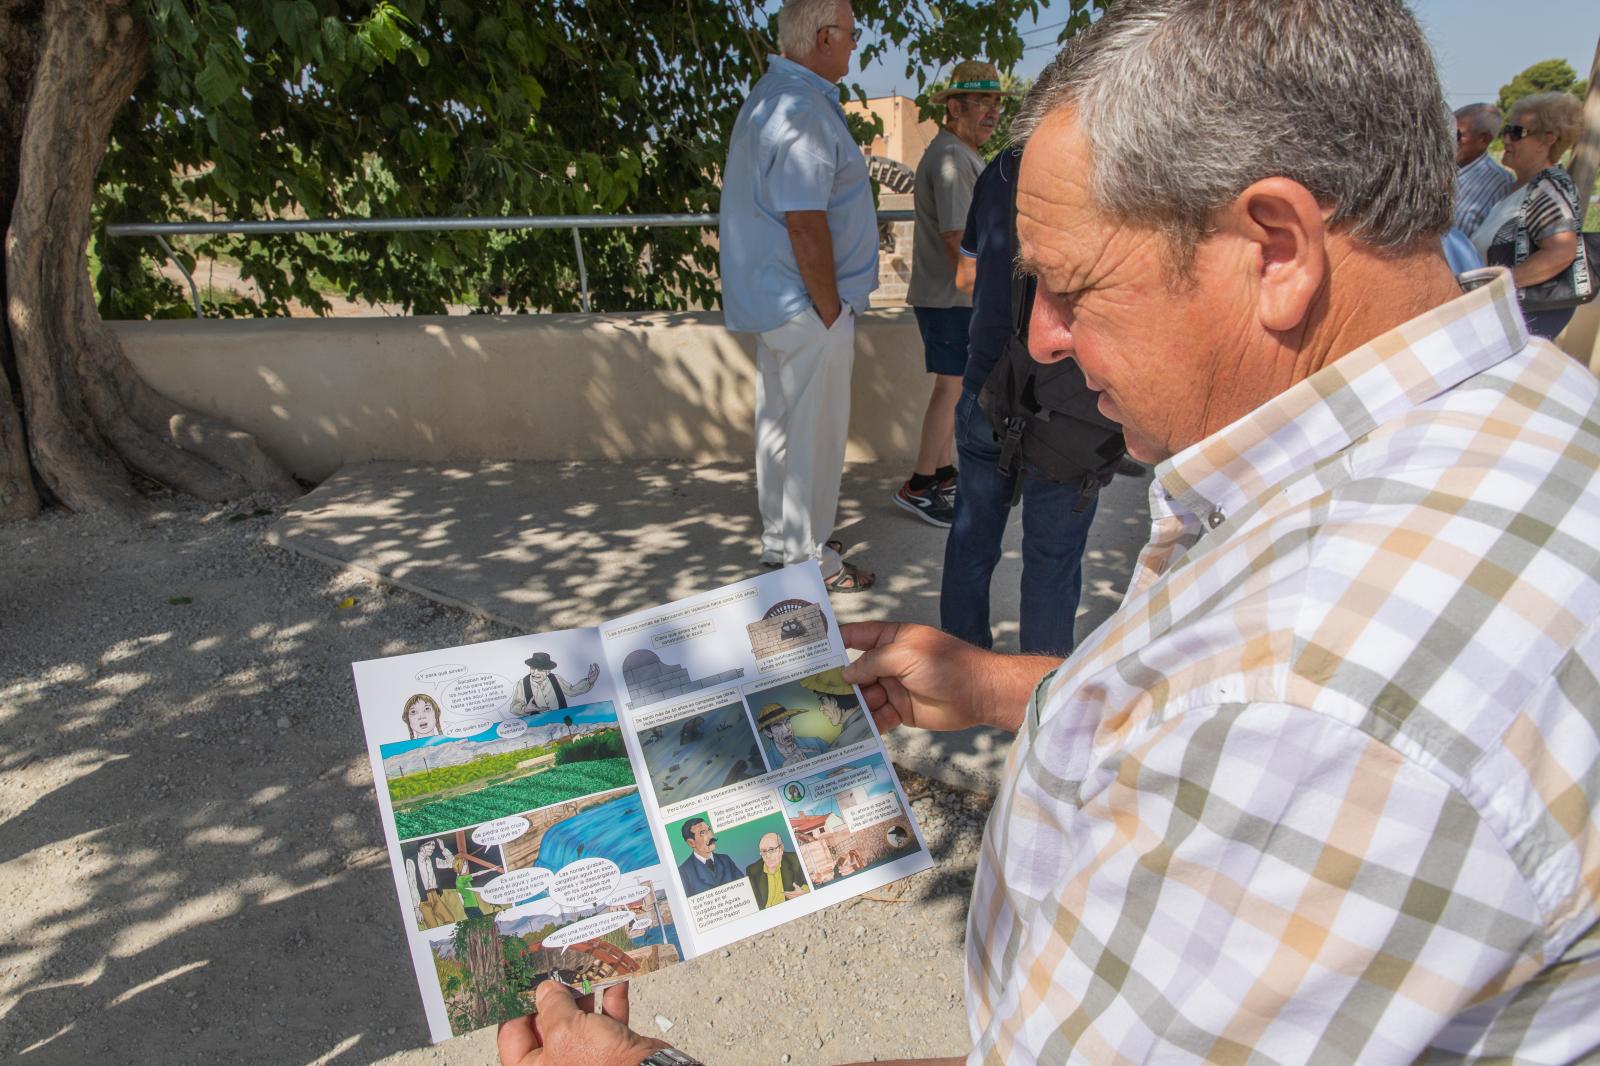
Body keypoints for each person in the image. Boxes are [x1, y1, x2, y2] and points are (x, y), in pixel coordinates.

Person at [497, 3, 1600, 1063]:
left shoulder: (1309, 720)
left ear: (1275, 248)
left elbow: (1283, 714)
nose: (1043, 335)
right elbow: (1227, 691)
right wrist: (1011, 685)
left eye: (1072, 286)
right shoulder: (1529, 408)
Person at [719, 0, 877, 592]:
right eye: (853, 33)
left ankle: (784, 546)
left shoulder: (771, 96)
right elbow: (805, 220)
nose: (856, 44)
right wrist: (830, 308)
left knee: (781, 427)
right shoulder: (803, 108)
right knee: (815, 434)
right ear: (826, 36)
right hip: (808, 305)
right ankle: (811, 565)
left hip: (780, 302)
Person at [939, 146, 1102, 656]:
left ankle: (961, 670)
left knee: (971, 537)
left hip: (989, 379)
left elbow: (966, 273)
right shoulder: (1116, 160)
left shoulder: (1002, 168)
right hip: (1072, 401)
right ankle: (1041, 691)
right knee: (1053, 557)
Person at [892, 60, 1002, 528]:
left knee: (952, 389)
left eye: (997, 102)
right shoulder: (953, 159)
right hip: (950, 298)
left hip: (949, 299)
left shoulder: (957, 152)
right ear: (955, 107)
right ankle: (918, 485)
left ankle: (939, 473)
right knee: (950, 389)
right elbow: (959, 239)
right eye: (982, 103)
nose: (993, 113)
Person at [1473, 91, 1588, 340]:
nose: (1506, 139)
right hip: (1492, 317)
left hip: (1513, 323)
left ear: (1547, 140)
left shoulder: (1548, 188)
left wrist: (1496, 286)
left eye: (1516, 132)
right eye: (1506, 130)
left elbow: (1561, 251)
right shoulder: (1519, 187)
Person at [1452, 103, 1515, 237]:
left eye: (1457, 135)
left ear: (1484, 139)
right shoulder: (1433, 170)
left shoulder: (1500, 184)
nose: (1448, 140)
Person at [674, 817, 742, 897]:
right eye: (702, 833)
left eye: (709, 830)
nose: (710, 836)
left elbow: (742, 885)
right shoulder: (684, 872)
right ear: (691, 843)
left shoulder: (725, 859)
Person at [514, 653, 599, 713]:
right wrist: (525, 709)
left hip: (561, 721)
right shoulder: (522, 683)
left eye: (540, 669)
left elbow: (571, 691)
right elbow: (515, 706)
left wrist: (589, 681)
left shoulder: (556, 679)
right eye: (532, 668)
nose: (534, 673)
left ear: (548, 671)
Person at [745, 832, 810, 908]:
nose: (767, 856)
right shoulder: (753, 871)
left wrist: (804, 893)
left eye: (771, 850)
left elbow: (809, 883)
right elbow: (754, 903)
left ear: (781, 848)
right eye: (763, 851)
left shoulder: (795, 860)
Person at [756, 702, 829, 766]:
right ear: (768, 733)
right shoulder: (768, 762)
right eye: (777, 725)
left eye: (787, 721)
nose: (787, 729)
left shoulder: (816, 742)